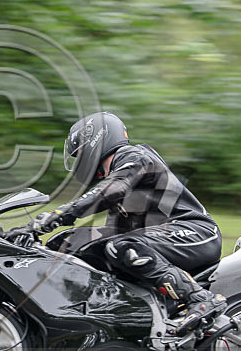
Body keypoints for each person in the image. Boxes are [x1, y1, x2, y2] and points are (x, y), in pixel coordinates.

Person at [32, 112, 226, 335]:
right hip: (164, 236)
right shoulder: (120, 180)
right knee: (87, 244)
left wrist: (61, 214)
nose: (79, 161)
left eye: (80, 153)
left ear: (98, 139)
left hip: (195, 231)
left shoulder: (135, 156)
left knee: (122, 246)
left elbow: (110, 190)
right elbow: (106, 233)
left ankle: (201, 299)